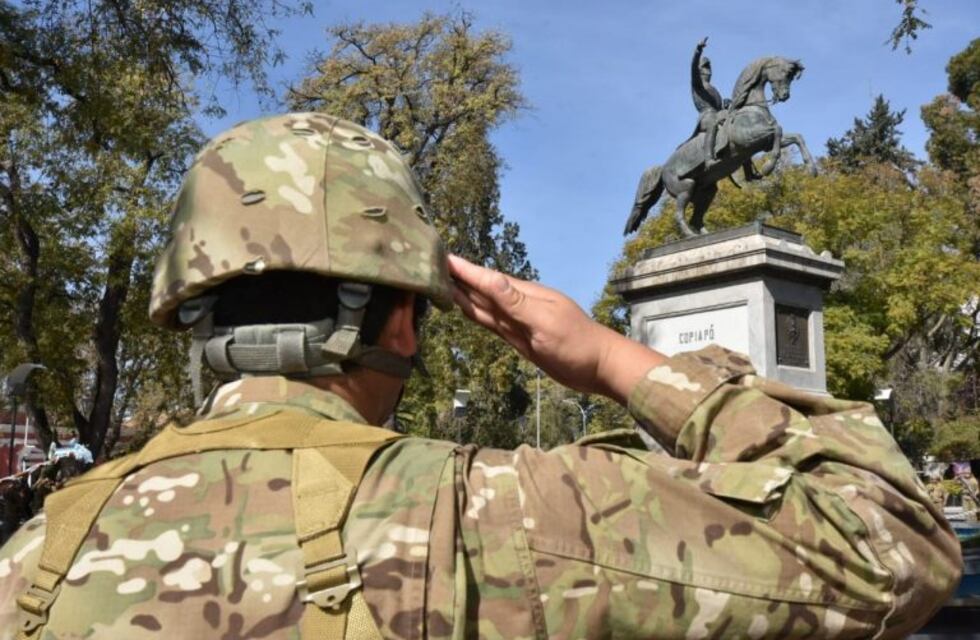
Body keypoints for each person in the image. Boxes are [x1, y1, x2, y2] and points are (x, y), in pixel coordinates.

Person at [0, 113, 962, 639]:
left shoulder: (33, 554)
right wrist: (617, 361)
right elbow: (888, 541)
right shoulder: (494, 517)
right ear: (407, 316)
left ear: (189, 309)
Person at [690, 37, 726, 169]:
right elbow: (693, 66)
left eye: (709, 69)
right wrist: (698, 50)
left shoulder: (714, 89)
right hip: (706, 116)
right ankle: (708, 158)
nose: (708, 71)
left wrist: (726, 105)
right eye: (705, 68)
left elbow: (720, 107)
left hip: (718, 114)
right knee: (713, 123)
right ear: (699, 71)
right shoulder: (697, 84)